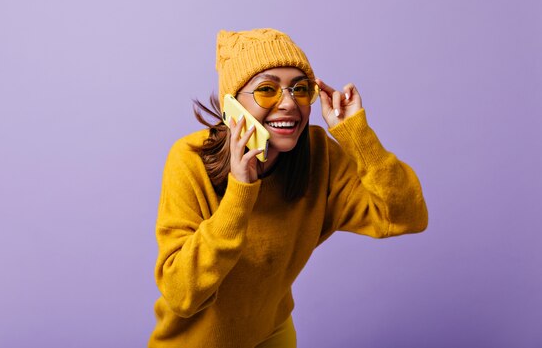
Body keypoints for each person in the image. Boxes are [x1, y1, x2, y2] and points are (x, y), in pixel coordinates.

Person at [148, 28, 428, 348]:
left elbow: (408, 216)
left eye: (300, 89)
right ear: (232, 106)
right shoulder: (189, 160)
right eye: (267, 89)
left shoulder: (319, 154)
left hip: (273, 331)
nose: (288, 103)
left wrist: (357, 135)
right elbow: (182, 294)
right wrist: (241, 191)